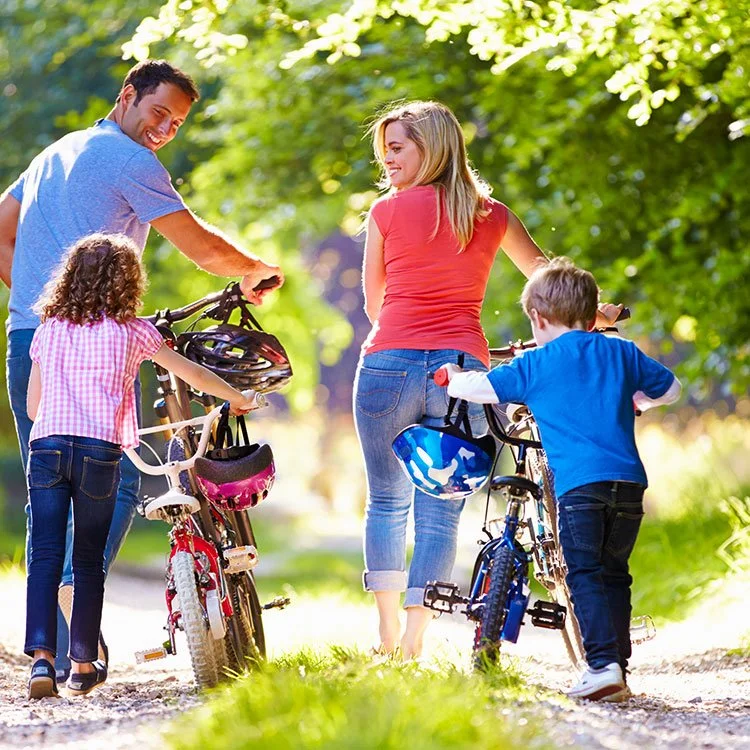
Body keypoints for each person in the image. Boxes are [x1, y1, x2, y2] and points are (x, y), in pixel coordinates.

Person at [0, 59, 283, 681]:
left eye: (177, 124)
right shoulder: (128, 159)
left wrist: (40, 303)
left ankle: (52, 644)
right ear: (126, 96)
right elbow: (200, 247)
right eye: (158, 113)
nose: (164, 130)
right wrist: (253, 269)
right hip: (99, 342)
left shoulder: (57, 151)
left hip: (31, 337)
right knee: (123, 467)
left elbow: (1, 228)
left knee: (46, 480)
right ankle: (79, 591)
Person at [354, 99, 560, 660]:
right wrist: (598, 313)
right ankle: (416, 638)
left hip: (386, 365)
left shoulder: (385, 213)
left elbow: (375, 305)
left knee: (386, 502)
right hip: (462, 372)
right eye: (385, 150)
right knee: (442, 504)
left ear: (433, 146)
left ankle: (388, 634)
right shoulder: (492, 215)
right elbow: (549, 284)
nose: (387, 160)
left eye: (397, 148)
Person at [24, 233, 261, 699]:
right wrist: (239, 398)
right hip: (99, 451)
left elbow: (34, 405)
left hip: (47, 447)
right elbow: (190, 374)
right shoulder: (133, 331)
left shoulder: (48, 327)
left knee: (44, 557)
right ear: (129, 281)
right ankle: (82, 664)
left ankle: (40, 665)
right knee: (87, 560)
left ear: (69, 278)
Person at [439, 257, 681, 700]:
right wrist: (636, 403)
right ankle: (617, 665)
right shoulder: (621, 351)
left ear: (537, 317)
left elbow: (483, 388)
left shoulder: (539, 363)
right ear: (593, 317)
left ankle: (602, 665)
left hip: (578, 489)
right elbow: (671, 389)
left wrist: (453, 378)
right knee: (614, 573)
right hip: (628, 485)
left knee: (583, 573)